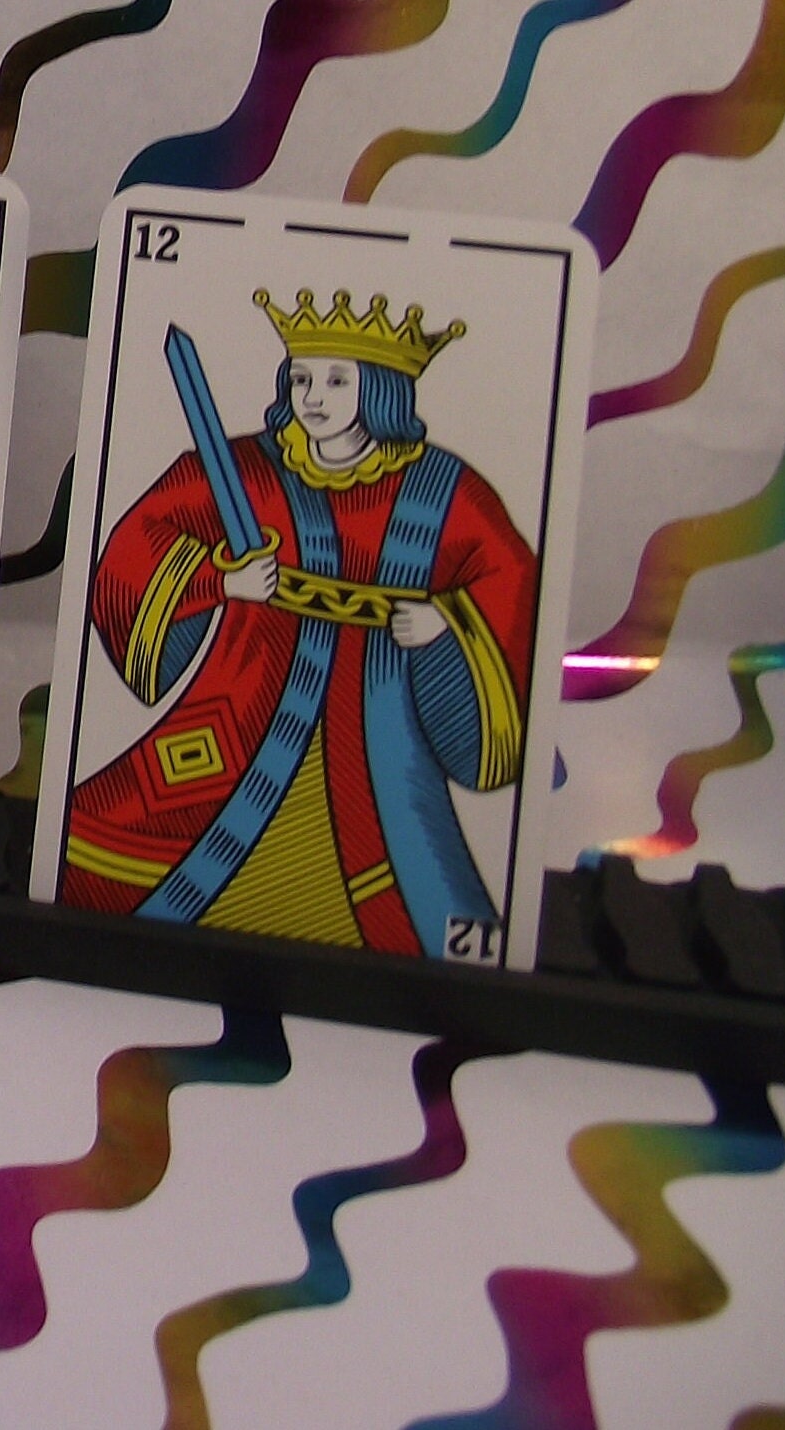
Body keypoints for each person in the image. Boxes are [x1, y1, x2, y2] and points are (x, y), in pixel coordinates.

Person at [60, 289, 537, 957]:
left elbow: (511, 579)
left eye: (337, 380)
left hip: (378, 738)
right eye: (302, 379)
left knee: (410, 887)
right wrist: (220, 580)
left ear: (381, 390)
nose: (313, 396)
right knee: (93, 852)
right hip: (238, 717)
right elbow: (140, 540)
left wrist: (444, 622)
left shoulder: (441, 487)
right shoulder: (245, 471)